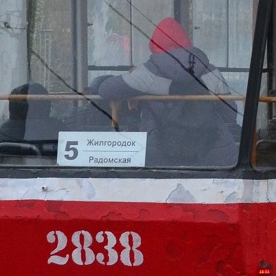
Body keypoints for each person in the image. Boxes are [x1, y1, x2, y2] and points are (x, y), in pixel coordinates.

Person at [94, 18, 239, 166]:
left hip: (159, 156)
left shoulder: (147, 73)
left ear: (155, 45)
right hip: (215, 155)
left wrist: (135, 93)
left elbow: (105, 90)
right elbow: (230, 114)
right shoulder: (211, 72)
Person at [0, 82, 63, 155]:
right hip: (46, 165)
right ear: (45, 104)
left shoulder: (4, 128)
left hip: (7, 166)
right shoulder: (55, 127)